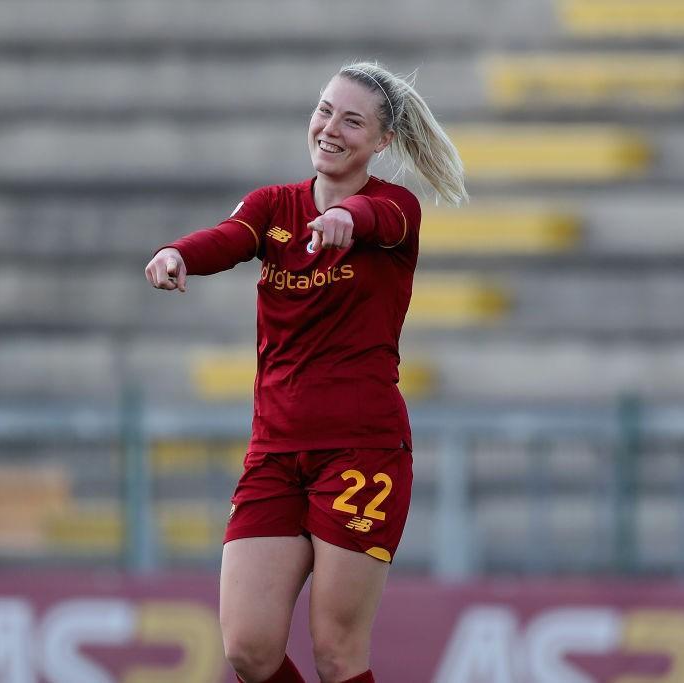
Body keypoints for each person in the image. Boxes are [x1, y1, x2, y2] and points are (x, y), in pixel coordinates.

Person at [145, 62, 467, 683]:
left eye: (353, 120)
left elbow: (382, 221)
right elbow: (227, 236)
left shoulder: (393, 208)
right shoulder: (273, 207)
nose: (330, 127)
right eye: (325, 110)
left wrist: (351, 218)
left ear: (382, 142)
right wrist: (176, 252)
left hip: (360, 451)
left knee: (337, 652)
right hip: (274, 451)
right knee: (248, 649)